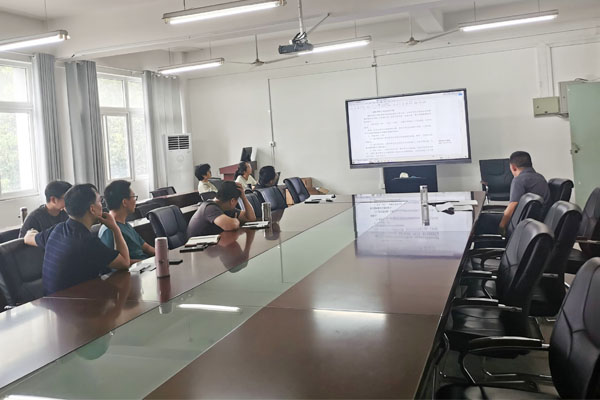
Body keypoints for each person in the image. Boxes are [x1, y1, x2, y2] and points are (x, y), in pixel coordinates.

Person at [24, 184, 130, 295]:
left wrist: (31, 233)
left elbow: (27, 238)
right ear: (92, 209)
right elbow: (124, 262)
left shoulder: (57, 229)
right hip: (76, 303)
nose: (102, 205)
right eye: (100, 201)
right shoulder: (88, 242)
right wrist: (115, 228)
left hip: (51, 302)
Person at [99, 180, 155, 262]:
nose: (135, 201)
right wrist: (147, 262)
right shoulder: (108, 230)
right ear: (124, 202)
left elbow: (146, 247)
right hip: (137, 268)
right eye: (134, 197)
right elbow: (115, 263)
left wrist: (163, 254)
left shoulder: (126, 225)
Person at [498, 151, 550, 232]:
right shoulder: (541, 177)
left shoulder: (518, 180)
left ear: (513, 167)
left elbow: (513, 205)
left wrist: (501, 226)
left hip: (523, 226)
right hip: (541, 222)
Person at [187, 181, 256, 237]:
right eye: (237, 200)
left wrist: (244, 197)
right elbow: (232, 225)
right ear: (232, 201)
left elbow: (251, 218)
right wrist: (235, 220)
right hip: (197, 247)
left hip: (209, 246)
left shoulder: (225, 207)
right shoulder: (210, 207)